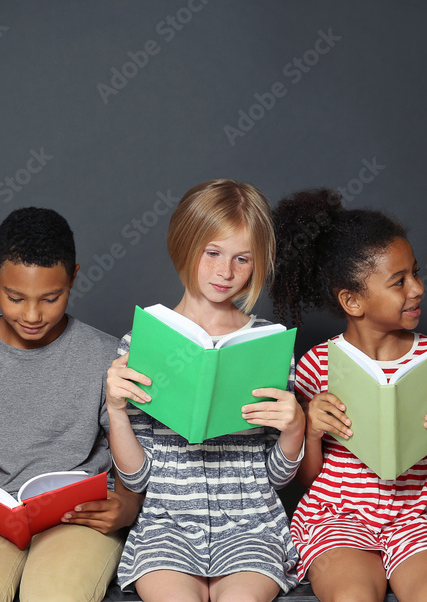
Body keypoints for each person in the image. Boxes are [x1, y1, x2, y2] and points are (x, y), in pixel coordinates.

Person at [271, 188, 427, 602]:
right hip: (337, 519)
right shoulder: (318, 365)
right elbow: (309, 476)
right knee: (352, 596)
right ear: (352, 300)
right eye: (399, 282)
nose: (417, 288)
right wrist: (310, 430)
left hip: (420, 518)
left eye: (416, 274)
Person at [0, 207, 142, 602]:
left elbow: (130, 454)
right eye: (15, 297)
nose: (32, 315)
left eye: (51, 298)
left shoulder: (105, 356)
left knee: (54, 593)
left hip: (79, 518)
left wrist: (126, 504)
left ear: (73, 279)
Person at [106, 179, 305, 602]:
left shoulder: (268, 345)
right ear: (184, 244)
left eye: (242, 259)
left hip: (252, 526)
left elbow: (275, 475)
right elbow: (136, 478)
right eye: (212, 252)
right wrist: (116, 411)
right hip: (165, 527)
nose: (225, 272)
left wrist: (294, 429)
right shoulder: (142, 343)